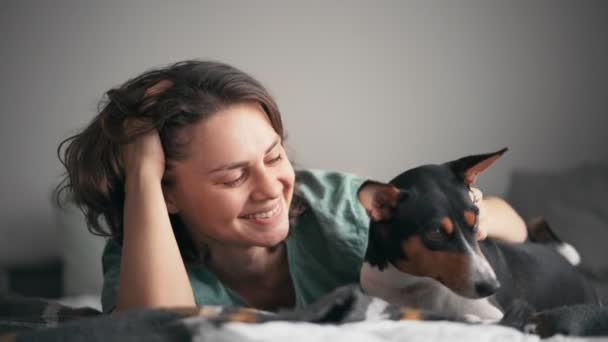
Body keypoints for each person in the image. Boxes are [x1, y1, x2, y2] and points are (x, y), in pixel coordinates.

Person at [56, 60, 527, 313]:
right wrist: (141, 168)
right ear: (167, 194)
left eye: (275, 156)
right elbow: (149, 328)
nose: (271, 188)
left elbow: (516, 226)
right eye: (234, 175)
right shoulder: (144, 247)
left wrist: (473, 217)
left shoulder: (339, 206)